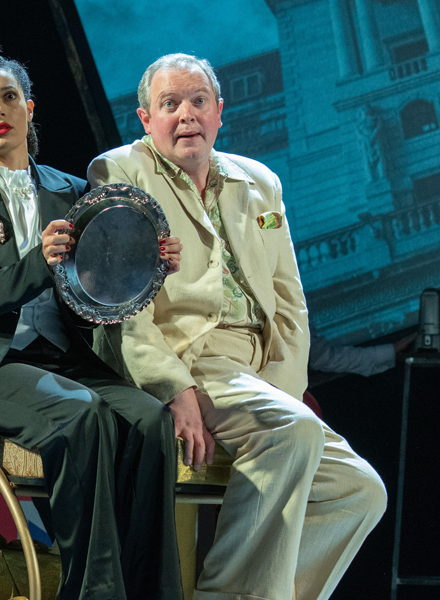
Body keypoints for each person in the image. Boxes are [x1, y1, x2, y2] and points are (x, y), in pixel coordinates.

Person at [89, 53, 387, 600]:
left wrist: (283, 388)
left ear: (219, 112)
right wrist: (173, 387)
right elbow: (119, 305)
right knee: (293, 432)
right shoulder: (121, 172)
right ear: (144, 118)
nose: (186, 115)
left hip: (258, 370)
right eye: (169, 104)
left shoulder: (260, 181)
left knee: (360, 491)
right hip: (193, 357)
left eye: (198, 101)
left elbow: (289, 301)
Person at [0, 46, 183, 600]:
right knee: (79, 416)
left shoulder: (73, 191)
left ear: (29, 109)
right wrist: (43, 258)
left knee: (153, 423)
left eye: (8, 96)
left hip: (64, 359)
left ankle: (151, 588)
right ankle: (93, 591)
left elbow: (96, 297)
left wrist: (146, 262)